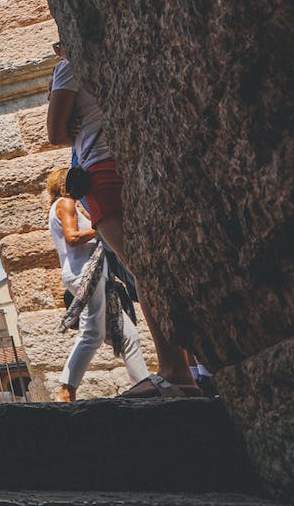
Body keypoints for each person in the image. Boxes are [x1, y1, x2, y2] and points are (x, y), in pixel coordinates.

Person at [46, 43, 199, 397]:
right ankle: (194, 364)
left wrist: (61, 101)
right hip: (140, 159)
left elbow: (55, 134)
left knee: (143, 269)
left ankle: (176, 371)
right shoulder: (118, 52)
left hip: (101, 171)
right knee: (160, 264)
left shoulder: (70, 67)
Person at [46, 168, 148, 401]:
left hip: (91, 273)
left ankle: (143, 384)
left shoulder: (61, 207)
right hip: (85, 273)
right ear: (64, 184)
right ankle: (66, 390)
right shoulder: (66, 203)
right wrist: (101, 226)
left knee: (127, 334)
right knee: (92, 331)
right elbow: (72, 238)